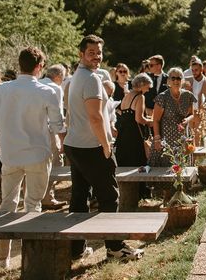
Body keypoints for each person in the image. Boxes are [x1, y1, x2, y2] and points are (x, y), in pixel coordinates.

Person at [65, 34, 144, 261]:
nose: (97, 57)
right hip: (91, 146)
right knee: (109, 196)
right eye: (91, 52)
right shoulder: (90, 79)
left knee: (79, 198)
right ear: (81, 54)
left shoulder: (76, 78)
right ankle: (116, 248)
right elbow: (96, 117)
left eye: (99, 52)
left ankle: (76, 250)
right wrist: (106, 146)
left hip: (74, 144)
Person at [0, 47, 64, 269]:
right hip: (37, 154)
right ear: (40, 66)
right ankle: (30, 258)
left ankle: (3, 258)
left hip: (11, 153)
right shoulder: (47, 91)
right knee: (33, 206)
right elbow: (57, 124)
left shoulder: (1, 90)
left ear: (19, 64)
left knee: (7, 205)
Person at [115, 73, 154, 198]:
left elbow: (124, 113)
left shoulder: (127, 95)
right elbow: (138, 119)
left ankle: (128, 194)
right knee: (139, 162)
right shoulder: (139, 97)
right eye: (148, 86)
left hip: (123, 133)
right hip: (134, 135)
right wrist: (151, 121)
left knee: (126, 162)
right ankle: (141, 194)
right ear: (142, 85)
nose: (148, 89)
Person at [149, 67, 197, 167]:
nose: (176, 81)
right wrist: (157, 139)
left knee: (182, 169)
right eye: (173, 78)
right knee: (164, 171)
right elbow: (156, 120)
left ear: (182, 80)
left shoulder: (188, 95)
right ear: (168, 81)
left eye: (178, 78)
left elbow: (192, 114)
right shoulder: (162, 97)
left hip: (182, 138)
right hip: (166, 139)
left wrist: (187, 119)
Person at [39, 64, 68, 210]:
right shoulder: (55, 88)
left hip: (35, 131)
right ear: (58, 76)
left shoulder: (38, 83)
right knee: (55, 164)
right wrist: (62, 138)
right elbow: (57, 116)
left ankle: (39, 196)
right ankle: (47, 198)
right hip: (50, 131)